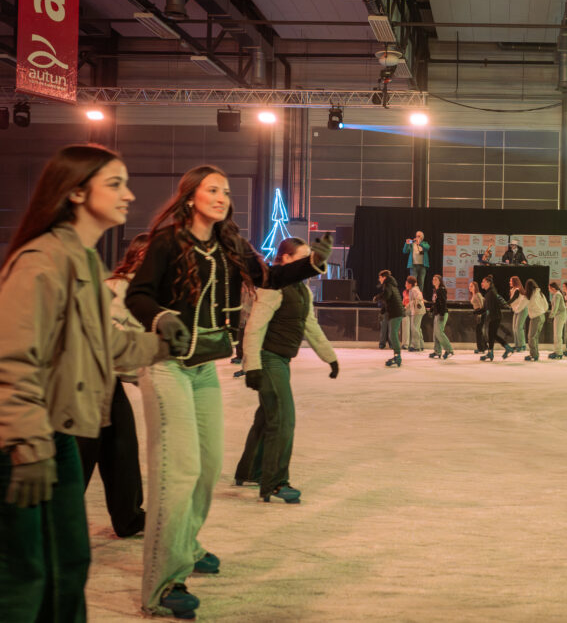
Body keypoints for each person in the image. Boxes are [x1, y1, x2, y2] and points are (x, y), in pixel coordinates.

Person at [125, 165, 331, 618]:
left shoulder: (230, 244)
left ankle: (186, 544)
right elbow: (137, 295)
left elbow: (269, 279)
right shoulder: (168, 242)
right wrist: (161, 317)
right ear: (190, 197)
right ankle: (164, 582)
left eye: (226, 191)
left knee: (207, 468)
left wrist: (311, 264)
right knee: (178, 473)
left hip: (203, 368)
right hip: (166, 365)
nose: (221, 197)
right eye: (212, 189)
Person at [0, 145, 173, 622]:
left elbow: (106, 346)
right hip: (24, 444)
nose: (129, 195)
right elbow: (12, 361)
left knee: (68, 568)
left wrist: (165, 345)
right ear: (75, 192)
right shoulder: (41, 262)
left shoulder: (84, 261)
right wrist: (27, 445)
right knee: (24, 581)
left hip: (59, 436)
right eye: (115, 184)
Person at [236, 238, 339, 505]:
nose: (307, 264)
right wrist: (252, 366)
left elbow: (310, 326)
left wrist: (330, 357)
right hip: (268, 360)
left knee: (267, 417)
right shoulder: (274, 286)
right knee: (283, 419)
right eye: (302, 259)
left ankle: (250, 471)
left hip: (282, 360)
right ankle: (275, 482)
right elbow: (254, 327)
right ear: (286, 259)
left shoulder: (302, 291)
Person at [74, 233, 151, 539]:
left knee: (122, 446)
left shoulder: (148, 291)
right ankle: (52, 520)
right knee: (82, 452)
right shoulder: (118, 287)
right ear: (139, 256)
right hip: (88, 379)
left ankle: (129, 517)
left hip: (110, 381)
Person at [480, 276, 515, 361]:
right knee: (492, 335)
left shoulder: (491, 292)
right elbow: (485, 308)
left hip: (495, 317)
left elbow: (498, 301)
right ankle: (492, 352)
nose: (482, 283)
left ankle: (506, 348)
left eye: (483, 282)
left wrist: (506, 306)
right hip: (493, 317)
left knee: (492, 335)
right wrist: (476, 312)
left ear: (488, 283)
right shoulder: (489, 293)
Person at [378, 270, 404, 367]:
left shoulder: (387, 285)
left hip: (396, 313)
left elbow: (386, 296)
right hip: (396, 312)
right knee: (393, 334)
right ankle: (397, 355)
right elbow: (388, 300)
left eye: (380, 277)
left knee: (393, 335)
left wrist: (378, 297)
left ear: (384, 277)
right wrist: (382, 311)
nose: (379, 279)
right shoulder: (391, 285)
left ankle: (397, 356)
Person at [428, 275, 454, 359]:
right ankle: (437, 351)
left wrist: (442, 314)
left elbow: (443, 302)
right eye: (433, 279)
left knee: (439, 333)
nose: (433, 280)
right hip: (437, 314)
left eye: (436, 279)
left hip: (441, 313)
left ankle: (449, 350)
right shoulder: (435, 290)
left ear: (440, 281)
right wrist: (431, 310)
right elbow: (435, 303)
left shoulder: (441, 290)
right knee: (436, 333)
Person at [523, 279, 549, 362]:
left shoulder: (531, 295)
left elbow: (526, 304)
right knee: (535, 337)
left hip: (536, 317)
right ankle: (535, 354)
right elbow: (546, 305)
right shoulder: (540, 293)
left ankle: (534, 355)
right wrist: (542, 311)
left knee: (531, 337)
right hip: (542, 316)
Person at [548, 281, 567, 360]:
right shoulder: (557, 294)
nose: (549, 290)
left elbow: (555, 307)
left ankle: (559, 352)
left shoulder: (557, 295)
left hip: (560, 316)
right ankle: (557, 351)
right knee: (557, 334)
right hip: (559, 316)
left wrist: (551, 316)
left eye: (549, 288)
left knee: (557, 335)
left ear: (552, 288)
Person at [406, 276, 426, 352]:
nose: (405, 285)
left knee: (414, 328)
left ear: (410, 284)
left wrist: (414, 302)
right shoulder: (414, 289)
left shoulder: (414, 290)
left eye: (406, 283)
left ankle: (416, 346)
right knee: (417, 328)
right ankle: (421, 345)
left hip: (417, 311)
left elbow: (419, 297)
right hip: (418, 311)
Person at [509, 276, 528, 352]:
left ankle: (522, 345)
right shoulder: (512, 290)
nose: (510, 282)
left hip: (522, 309)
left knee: (518, 327)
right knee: (514, 328)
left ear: (515, 282)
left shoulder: (517, 290)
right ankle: (517, 345)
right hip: (516, 310)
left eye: (511, 281)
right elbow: (512, 302)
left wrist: (503, 303)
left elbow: (513, 299)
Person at [469, 280, 487, 354]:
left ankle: (481, 348)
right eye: (469, 286)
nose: (470, 287)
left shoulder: (478, 294)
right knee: (479, 331)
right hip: (477, 313)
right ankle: (484, 346)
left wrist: (479, 314)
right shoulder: (474, 295)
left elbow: (482, 305)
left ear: (475, 287)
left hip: (480, 313)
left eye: (471, 286)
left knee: (479, 331)